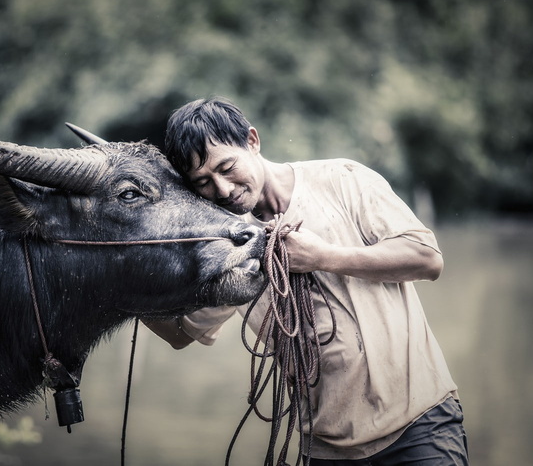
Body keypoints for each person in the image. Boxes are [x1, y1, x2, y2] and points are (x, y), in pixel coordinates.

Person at [145, 97, 468, 465]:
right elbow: (180, 332)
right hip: (326, 449)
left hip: (419, 427)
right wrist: (112, 289)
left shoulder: (342, 180)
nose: (222, 189)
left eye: (227, 167)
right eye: (203, 182)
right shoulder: (228, 244)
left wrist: (323, 257)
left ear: (252, 140)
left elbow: (426, 258)